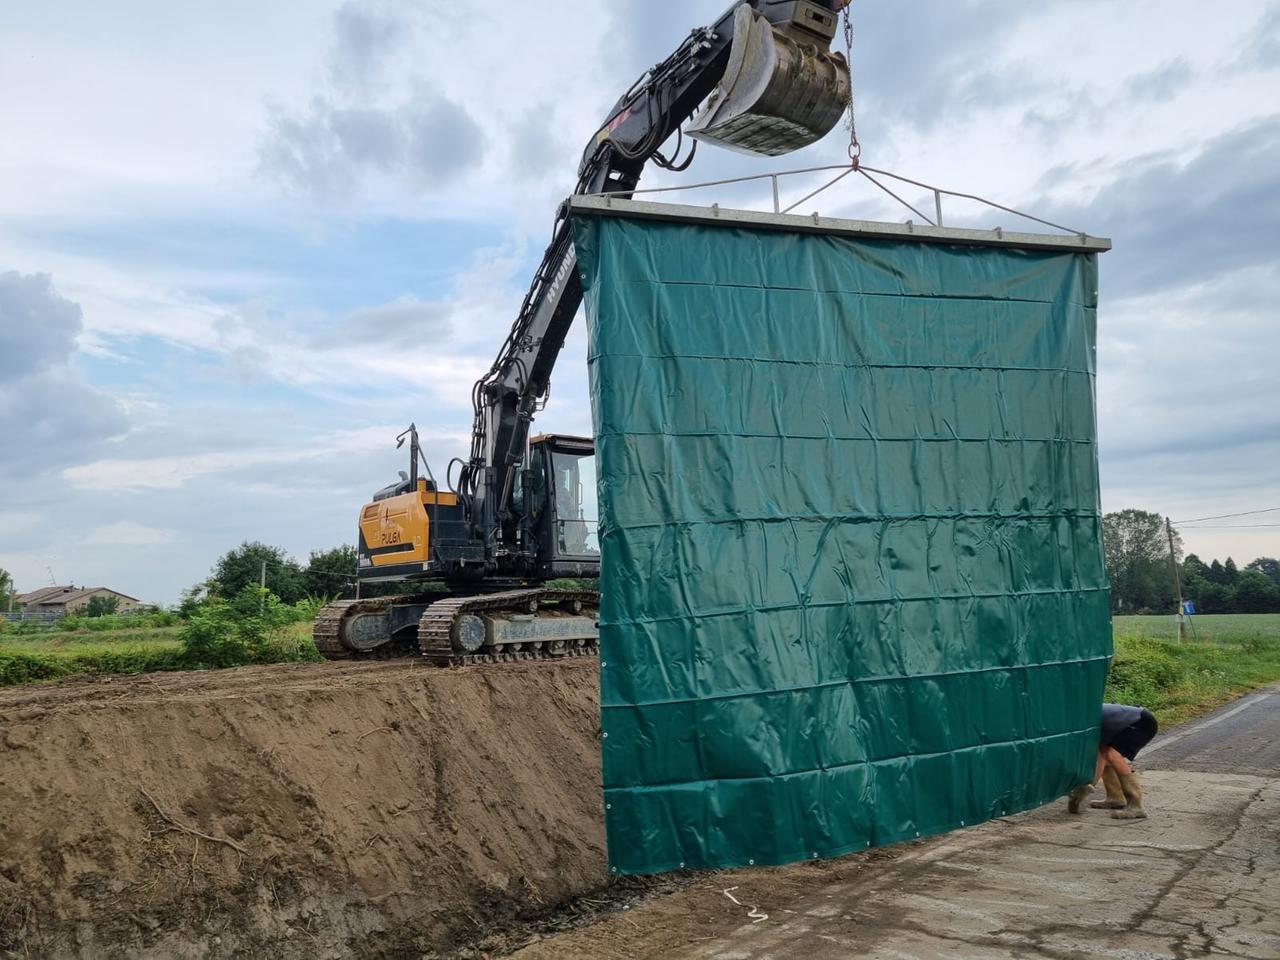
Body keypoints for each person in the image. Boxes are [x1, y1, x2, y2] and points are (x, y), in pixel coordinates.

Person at [1067, 702, 1159, 820]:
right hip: (1127, 724)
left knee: (1112, 755)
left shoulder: (1085, 720)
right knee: (1104, 751)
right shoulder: (1082, 717)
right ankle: (1115, 798)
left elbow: (1099, 759)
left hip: (1142, 722)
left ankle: (1136, 806)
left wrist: (1087, 785)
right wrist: (1088, 784)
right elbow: (1099, 756)